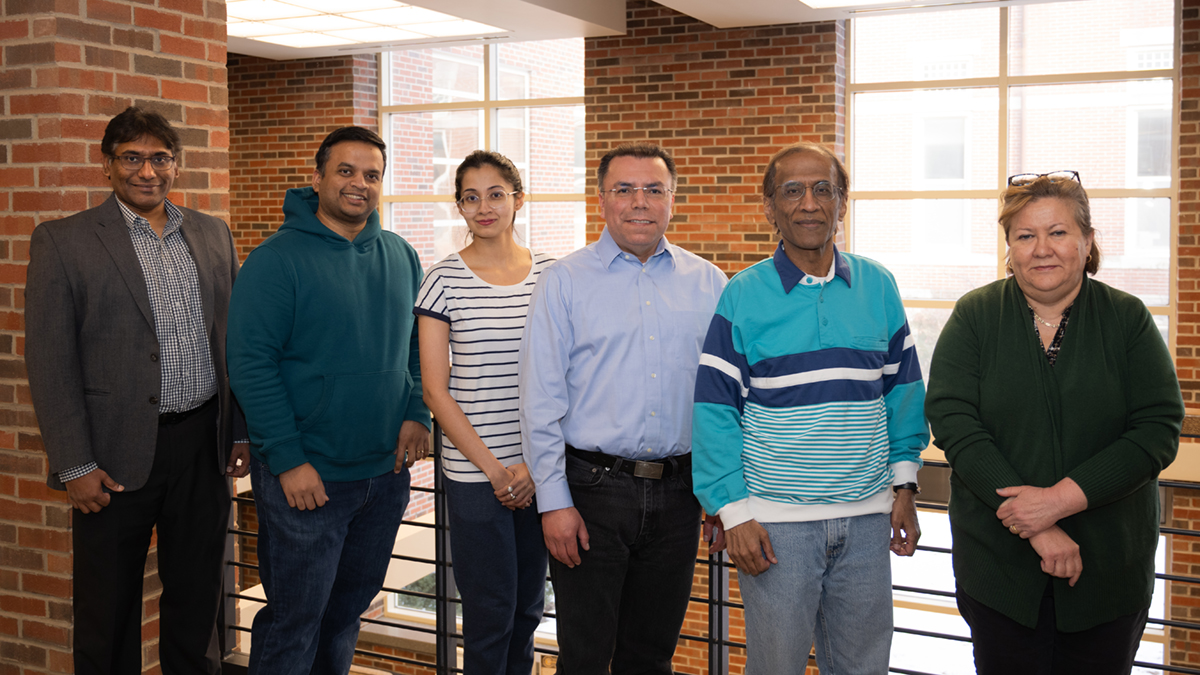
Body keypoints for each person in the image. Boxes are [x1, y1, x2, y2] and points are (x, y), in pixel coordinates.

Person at [925, 171, 1184, 675]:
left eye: (1058, 232)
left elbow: (1157, 428)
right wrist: (1039, 525)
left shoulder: (1127, 319)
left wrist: (1058, 501)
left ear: (1087, 242)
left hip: (1109, 573)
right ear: (1009, 248)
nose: (1042, 248)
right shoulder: (975, 316)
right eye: (1025, 236)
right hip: (998, 574)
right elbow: (955, 423)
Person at [24, 106, 249, 675]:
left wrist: (239, 432)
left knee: (199, 607)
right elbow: (50, 361)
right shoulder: (63, 241)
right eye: (131, 158)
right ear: (107, 167)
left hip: (202, 445)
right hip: (112, 455)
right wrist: (74, 465)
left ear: (176, 165)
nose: (146, 171)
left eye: (159, 158)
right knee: (107, 613)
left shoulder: (212, 232)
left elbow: (234, 343)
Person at [691, 142, 929, 674]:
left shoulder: (879, 286)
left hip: (868, 519)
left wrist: (906, 485)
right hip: (775, 528)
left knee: (865, 669)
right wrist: (734, 513)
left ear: (842, 202)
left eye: (823, 189)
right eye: (792, 191)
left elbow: (904, 392)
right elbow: (714, 412)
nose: (809, 204)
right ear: (769, 207)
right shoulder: (741, 295)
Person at [227, 126, 432, 674]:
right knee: (295, 621)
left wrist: (417, 411)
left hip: (384, 477)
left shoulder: (401, 255)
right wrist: (289, 460)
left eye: (371, 175)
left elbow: (418, 346)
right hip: (306, 479)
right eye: (345, 171)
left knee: (344, 617)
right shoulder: (275, 260)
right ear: (316, 178)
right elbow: (251, 366)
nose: (359, 184)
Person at [519, 142, 727, 674]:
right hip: (591, 495)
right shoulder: (564, 281)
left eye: (653, 189)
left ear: (672, 200)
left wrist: (722, 495)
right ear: (602, 199)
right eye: (624, 190)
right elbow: (540, 399)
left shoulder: (710, 283)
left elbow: (724, 402)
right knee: (586, 659)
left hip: (681, 496)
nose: (640, 202)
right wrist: (553, 502)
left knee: (651, 658)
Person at [415, 150, 553, 674]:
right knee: (489, 613)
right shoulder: (443, 279)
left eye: (496, 194)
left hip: (538, 469)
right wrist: (495, 471)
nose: (484, 207)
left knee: (527, 610)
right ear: (460, 208)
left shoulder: (552, 275)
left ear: (519, 199)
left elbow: (564, 380)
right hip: (476, 475)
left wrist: (532, 467)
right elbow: (434, 390)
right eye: (470, 198)